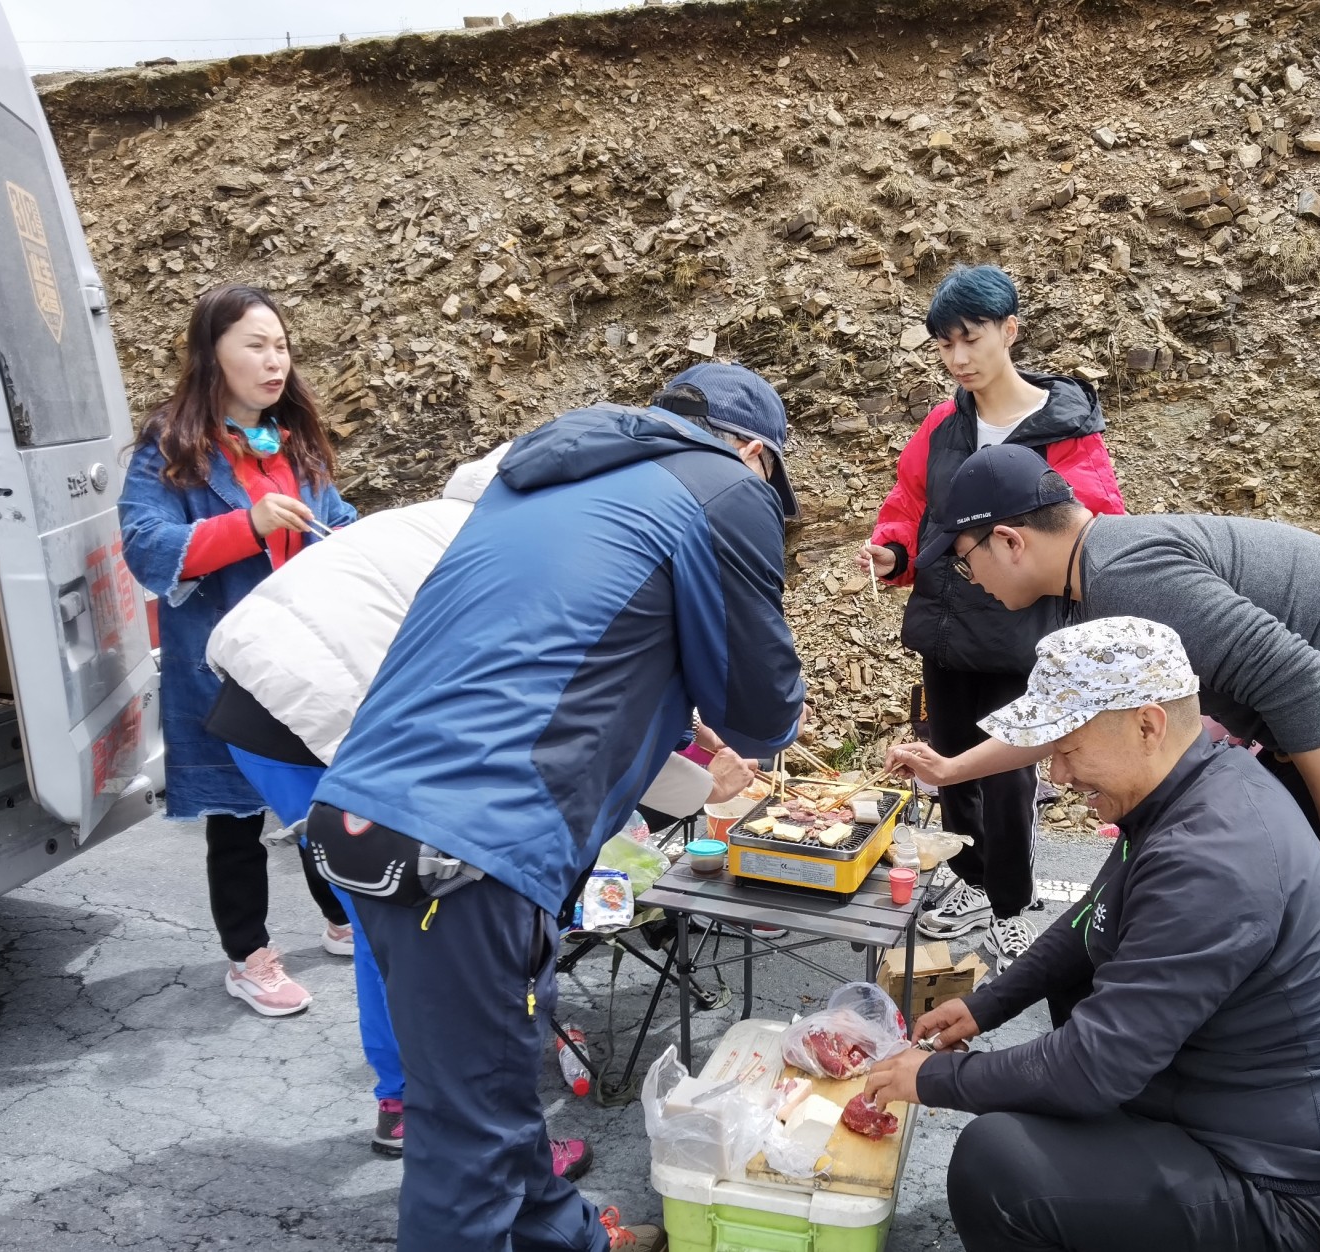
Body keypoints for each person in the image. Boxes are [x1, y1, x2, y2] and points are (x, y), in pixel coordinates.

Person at [310, 363, 807, 1252]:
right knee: (465, 1141)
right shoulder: (730, 487)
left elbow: (552, 658)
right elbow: (761, 711)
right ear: (755, 452)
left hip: (368, 803)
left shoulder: (542, 475)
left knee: (490, 1080)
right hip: (472, 845)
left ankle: (560, 1235)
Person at [202, 443, 753, 1168]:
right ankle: (484, 1136)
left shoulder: (468, 520)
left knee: (384, 911)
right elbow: (586, 717)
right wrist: (698, 783)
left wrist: (683, 734)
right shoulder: (549, 562)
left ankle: (414, 1106)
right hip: (324, 702)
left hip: (253, 689)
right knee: (429, 912)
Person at [865, 617, 1320, 1252]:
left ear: (1148, 725)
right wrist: (984, 1005)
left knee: (997, 1162)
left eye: (1069, 751)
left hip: (1270, 1187)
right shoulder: (1185, 790)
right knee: (1034, 1082)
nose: (1060, 777)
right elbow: (1088, 921)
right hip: (1205, 1105)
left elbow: (1093, 1067)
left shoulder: (1212, 858)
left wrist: (929, 1080)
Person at [889, 443, 1320, 979]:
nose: (971, 581)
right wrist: (952, 769)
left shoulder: (1125, 577)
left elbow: (1297, 676)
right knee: (1274, 900)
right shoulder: (1086, 579)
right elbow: (1066, 714)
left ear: (1011, 542)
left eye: (966, 563)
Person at [857, 264, 1125, 969]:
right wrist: (893, 553)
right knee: (948, 767)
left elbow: (1096, 524)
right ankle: (966, 886)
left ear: (1009, 330)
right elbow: (910, 504)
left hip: (1020, 638)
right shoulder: (945, 424)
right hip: (946, 632)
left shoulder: (1065, 430)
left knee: (1007, 783)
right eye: (944, 345)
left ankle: (1009, 907)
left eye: (970, 339)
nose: (958, 360)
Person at [118, 283, 358, 1017]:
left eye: (281, 345)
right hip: (225, 663)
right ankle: (249, 957)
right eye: (255, 345)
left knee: (327, 792)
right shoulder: (172, 444)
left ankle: (344, 915)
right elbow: (147, 546)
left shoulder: (292, 437)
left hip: (304, 655)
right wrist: (247, 525)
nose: (273, 360)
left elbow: (336, 516)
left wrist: (355, 537)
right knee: (237, 814)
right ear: (212, 352)